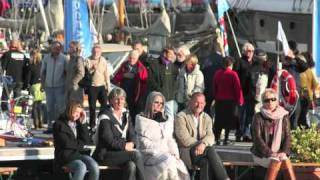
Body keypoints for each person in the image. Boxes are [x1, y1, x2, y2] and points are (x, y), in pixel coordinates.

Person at [174, 92, 230, 180]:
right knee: (210, 149)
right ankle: (224, 178)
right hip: (187, 151)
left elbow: (211, 136)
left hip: (202, 153)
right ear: (190, 102)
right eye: (196, 102)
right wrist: (201, 144)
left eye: (201, 103)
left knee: (206, 161)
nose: (199, 105)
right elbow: (184, 139)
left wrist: (203, 144)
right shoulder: (181, 117)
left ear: (204, 104)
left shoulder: (207, 117)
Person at [92, 87, 145, 180]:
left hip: (121, 154)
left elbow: (132, 134)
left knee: (131, 166)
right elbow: (108, 139)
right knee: (136, 155)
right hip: (105, 154)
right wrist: (124, 146)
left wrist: (132, 143)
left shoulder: (126, 114)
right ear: (111, 100)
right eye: (116, 99)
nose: (120, 102)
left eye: (122, 99)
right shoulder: (105, 115)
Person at [135, 91, 190, 180]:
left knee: (174, 162)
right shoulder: (142, 120)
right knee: (168, 162)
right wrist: (164, 151)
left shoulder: (165, 119)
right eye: (156, 102)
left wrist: (175, 153)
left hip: (166, 154)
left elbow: (169, 139)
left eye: (161, 103)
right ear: (150, 103)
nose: (159, 105)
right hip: (149, 154)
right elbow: (144, 143)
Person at [251, 88, 296, 180]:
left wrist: (284, 152)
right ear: (263, 102)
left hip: (279, 153)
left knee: (285, 160)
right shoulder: (258, 117)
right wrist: (270, 153)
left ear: (277, 101)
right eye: (267, 100)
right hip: (261, 154)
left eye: (273, 99)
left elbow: (288, 136)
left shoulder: (284, 115)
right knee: (276, 161)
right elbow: (257, 138)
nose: (270, 102)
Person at [53, 101, 99, 180]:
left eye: (79, 112)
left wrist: (83, 123)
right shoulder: (59, 124)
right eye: (75, 111)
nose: (77, 114)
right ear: (69, 110)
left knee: (94, 166)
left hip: (78, 154)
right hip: (65, 157)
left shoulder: (78, 123)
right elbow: (67, 144)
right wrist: (81, 145)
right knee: (81, 167)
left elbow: (86, 140)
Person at [213, 56, 243, 145]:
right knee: (228, 120)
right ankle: (226, 139)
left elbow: (214, 87)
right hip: (230, 101)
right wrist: (240, 100)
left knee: (219, 120)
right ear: (231, 64)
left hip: (219, 100)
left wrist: (215, 97)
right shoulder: (233, 74)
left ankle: (217, 139)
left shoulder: (217, 73)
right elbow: (237, 88)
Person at [113, 49, 148, 124]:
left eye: (134, 58)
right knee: (123, 110)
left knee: (134, 112)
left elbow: (144, 82)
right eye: (130, 58)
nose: (131, 60)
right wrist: (124, 75)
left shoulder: (141, 68)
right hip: (124, 92)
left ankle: (134, 127)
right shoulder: (124, 65)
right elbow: (116, 78)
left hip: (136, 93)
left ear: (137, 58)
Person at [41, 41, 67, 133]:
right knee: (49, 108)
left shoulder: (64, 59)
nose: (56, 49)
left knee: (60, 108)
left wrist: (66, 86)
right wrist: (42, 84)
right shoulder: (46, 58)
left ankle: (61, 126)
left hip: (60, 86)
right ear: (51, 48)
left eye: (58, 48)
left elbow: (67, 73)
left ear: (61, 49)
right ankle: (50, 126)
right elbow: (43, 72)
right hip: (49, 87)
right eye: (54, 48)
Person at [148, 47, 179, 118]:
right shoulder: (154, 64)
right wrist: (159, 91)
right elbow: (151, 80)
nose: (173, 56)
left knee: (170, 117)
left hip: (170, 99)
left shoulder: (173, 66)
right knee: (156, 116)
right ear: (164, 54)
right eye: (170, 54)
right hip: (158, 99)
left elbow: (175, 81)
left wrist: (173, 92)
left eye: (173, 54)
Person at [85, 44, 110, 131]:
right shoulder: (87, 60)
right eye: (94, 52)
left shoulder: (103, 60)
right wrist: (92, 68)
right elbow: (86, 74)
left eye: (98, 52)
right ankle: (92, 125)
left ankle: (102, 121)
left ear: (100, 53)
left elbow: (106, 74)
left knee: (104, 105)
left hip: (102, 86)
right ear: (92, 52)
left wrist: (108, 87)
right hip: (92, 86)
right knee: (92, 107)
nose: (96, 53)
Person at [234, 42, 255, 142]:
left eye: (252, 51)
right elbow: (235, 76)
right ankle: (239, 133)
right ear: (244, 51)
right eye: (249, 51)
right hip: (241, 92)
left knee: (250, 114)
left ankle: (247, 134)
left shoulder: (255, 62)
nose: (250, 53)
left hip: (251, 93)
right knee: (241, 115)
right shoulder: (239, 61)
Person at [1, 39, 28, 111]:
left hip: (9, 79)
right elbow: (26, 69)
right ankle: (16, 114)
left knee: (5, 97)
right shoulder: (23, 55)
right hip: (20, 80)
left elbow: (2, 67)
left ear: (10, 45)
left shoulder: (7, 54)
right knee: (17, 98)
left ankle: (4, 112)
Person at [298, 52, 318, 127]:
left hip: (303, 98)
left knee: (303, 119)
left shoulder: (301, 72)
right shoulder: (310, 71)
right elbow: (315, 85)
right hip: (308, 98)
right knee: (306, 119)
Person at [27, 48, 45, 129]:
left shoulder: (31, 65)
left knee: (34, 105)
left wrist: (27, 85)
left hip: (34, 85)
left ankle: (36, 124)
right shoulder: (42, 64)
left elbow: (28, 77)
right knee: (39, 105)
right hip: (41, 85)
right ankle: (41, 123)